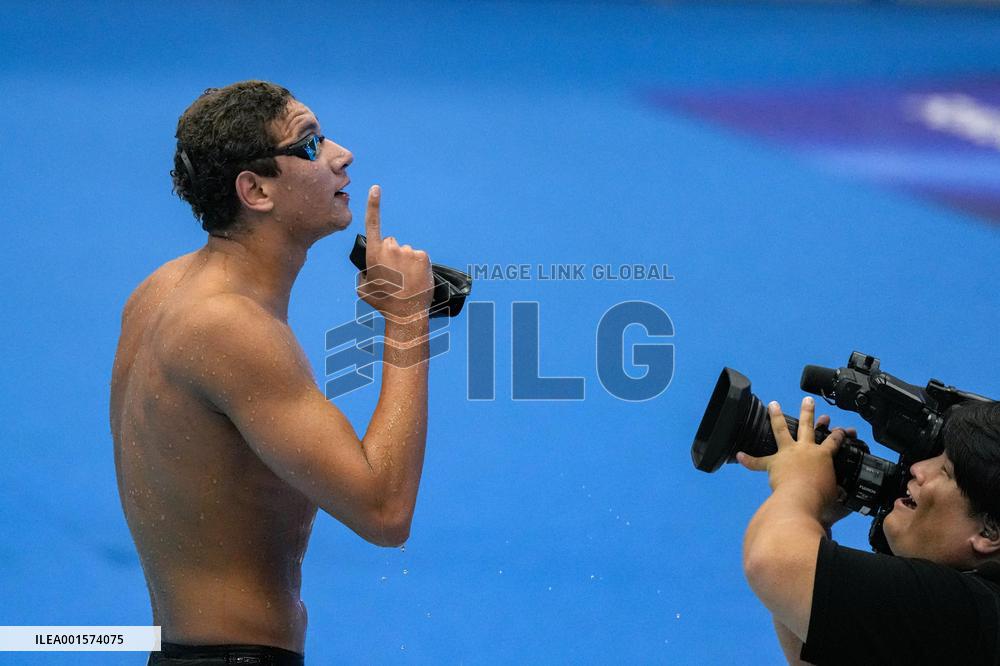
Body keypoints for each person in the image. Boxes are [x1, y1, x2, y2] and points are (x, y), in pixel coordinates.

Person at [110, 80, 435, 666]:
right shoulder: (228, 329)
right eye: (309, 145)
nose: (341, 153)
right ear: (255, 190)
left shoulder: (161, 289)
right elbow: (385, 513)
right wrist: (408, 320)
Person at [737, 396, 1000, 665]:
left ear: (990, 532)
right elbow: (814, 642)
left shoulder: (967, 610)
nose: (918, 469)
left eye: (945, 471)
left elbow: (771, 560)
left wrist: (802, 484)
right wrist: (817, 518)